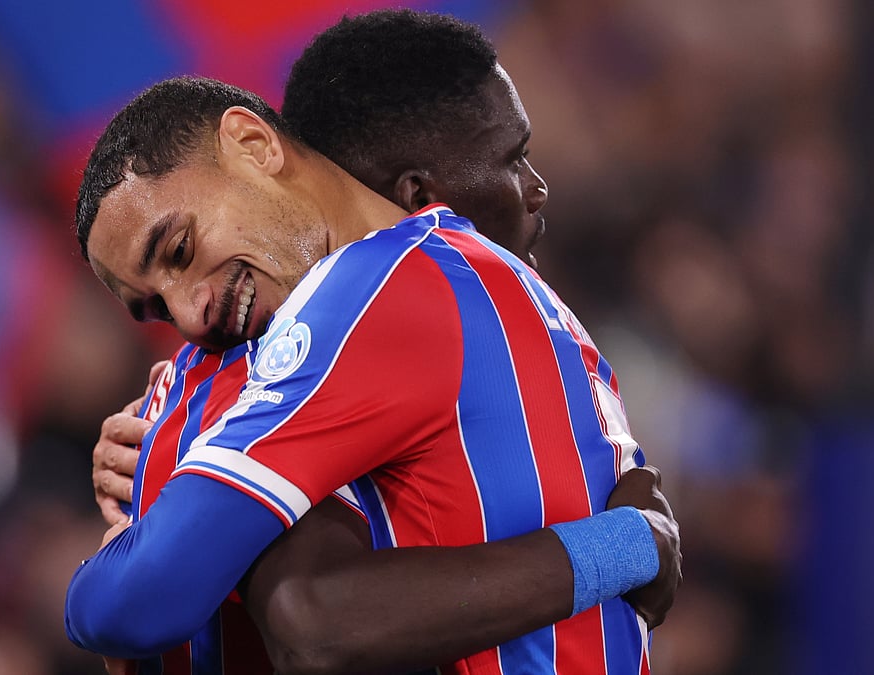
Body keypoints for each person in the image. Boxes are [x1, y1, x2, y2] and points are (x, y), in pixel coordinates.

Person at [79, 11, 679, 675]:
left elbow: (282, 625)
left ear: (254, 144)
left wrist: (117, 560)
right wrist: (630, 545)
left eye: (182, 248)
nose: (189, 314)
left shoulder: (379, 289)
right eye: (152, 306)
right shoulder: (495, 304)